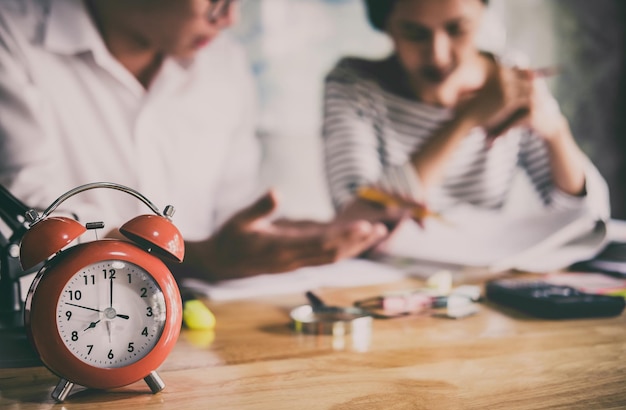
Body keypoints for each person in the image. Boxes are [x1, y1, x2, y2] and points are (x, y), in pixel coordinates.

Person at [0, 0, 388, 282]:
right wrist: (205, 258)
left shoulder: (225, 61)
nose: (230, 18)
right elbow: (33, 226)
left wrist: (290, 237)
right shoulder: (12, 38)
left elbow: (230, 216)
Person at [323, 0, 610, 228]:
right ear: (384, 24)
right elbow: (355, 220)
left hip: (482, 274)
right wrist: (465, 120)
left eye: (457, 29)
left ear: (482, 13)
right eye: (415, 33)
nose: (438, 54)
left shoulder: (510, 81)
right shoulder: (354, 85)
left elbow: (588, 217)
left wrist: (555, 131)